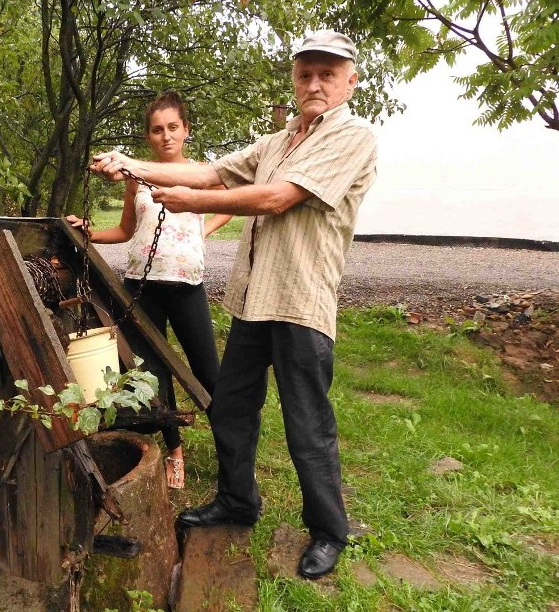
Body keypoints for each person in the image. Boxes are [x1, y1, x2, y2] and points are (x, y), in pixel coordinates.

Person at [89, 31, 377, 580]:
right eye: (305, 73)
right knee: (230, 407)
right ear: (294, 80)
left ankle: (327, 530)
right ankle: (237, 501)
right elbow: (209, 171)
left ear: (349, 82)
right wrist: (133, 166)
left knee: (306, 423)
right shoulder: (276, 142)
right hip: (254, 300)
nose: (314, 84)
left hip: (300, 301)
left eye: (327, 74)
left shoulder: (354, 135)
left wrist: (193, 204)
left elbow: (277, 198)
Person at [67, 90, 233, 489]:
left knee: (208, 372)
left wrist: (202, 230)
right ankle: (174, 452)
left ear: (186, 130)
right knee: (153, 374)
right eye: (157, 130)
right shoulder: (137, 180)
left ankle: (232, 451)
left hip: (186, 286)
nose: (166, 136)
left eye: (173, 127)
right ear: (149, 138)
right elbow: (126, 231)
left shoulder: (200, 174)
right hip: (141, 287)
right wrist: (90, 233)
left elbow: (231, 203)